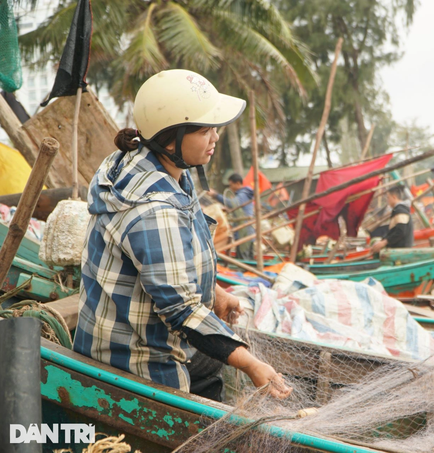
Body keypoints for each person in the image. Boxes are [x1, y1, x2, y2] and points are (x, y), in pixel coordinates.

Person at [73, 69, 291, 401]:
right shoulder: (152, 209)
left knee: (211, 365)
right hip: (134, 359)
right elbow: (181, 310)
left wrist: (215, 292)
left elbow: (169, 261)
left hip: (141, 331)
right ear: (171, 137)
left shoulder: (160, 167)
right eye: (205, 129)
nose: (215, 137)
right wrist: (252, 365)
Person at [210, 173, 255, 260]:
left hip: (244, 232)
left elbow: (232, 203)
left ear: (238, 183)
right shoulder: (244, 195)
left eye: (231, 185)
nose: (230, 188)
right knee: (248, 258)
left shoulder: (243, 194)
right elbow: (237, 208)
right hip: (247, 232)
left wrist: (214, 195)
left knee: (244, 260)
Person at [370, 186, 414, 254]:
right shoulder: (398, 210)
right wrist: (382, 241)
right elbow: (393, 231)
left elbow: (400, 232)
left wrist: (384, 242)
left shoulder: (400, 211)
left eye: (388, 197)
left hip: (401, 252)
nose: (387, 200)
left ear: (394, 197)